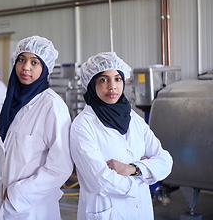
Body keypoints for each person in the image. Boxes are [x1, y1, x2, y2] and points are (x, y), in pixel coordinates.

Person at [70, 52, 173, 220]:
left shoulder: (134, 119)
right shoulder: (83, 125)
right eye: (103, 80)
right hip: (108, 212)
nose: (112, 87)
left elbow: (165, 161)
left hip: (142, 212)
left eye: (118, 79)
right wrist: (145, 176)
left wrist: (132, 169)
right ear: (91, 84)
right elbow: (101, 180)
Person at [0, 36, 73, 219]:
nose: (26, 67)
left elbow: (61, 166)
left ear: (45, 68)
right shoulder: (12, 103)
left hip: (32, 206)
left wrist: (17, 194)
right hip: (5, 202)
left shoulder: (51, 105)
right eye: (22, 60)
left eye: (34, 62)